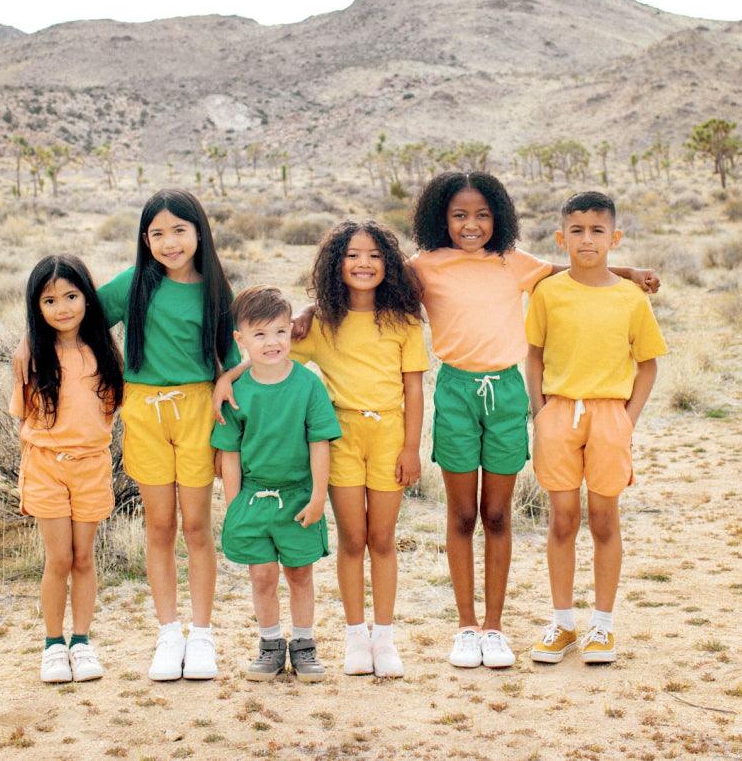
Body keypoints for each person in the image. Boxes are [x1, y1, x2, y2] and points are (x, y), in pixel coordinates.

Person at [409, 172, 659, 669]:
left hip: (504, 393)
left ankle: (496, 629)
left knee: (498, 515)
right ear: (441, 217)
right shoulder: (422, 266)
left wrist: (630, 274)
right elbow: (364, 282)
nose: (471, 225)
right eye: (459, 215)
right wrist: (310, 309)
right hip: (456, 388)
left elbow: (579, 269)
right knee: (461, 515)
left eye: (482, 215)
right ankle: (466, 628)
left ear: (498, 216)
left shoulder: (513, 263)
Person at [16, 190, 238, 681]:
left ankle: (201, 635)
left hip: (198, 412)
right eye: (157, 233)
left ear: (199, 231)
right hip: (144, 413)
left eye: (179, 230)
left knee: (198, 528)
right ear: (145, 239)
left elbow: (237, 355)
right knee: (159, 528)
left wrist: (226, 379)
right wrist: (30, 344)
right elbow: (74, 317)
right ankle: (167, 633)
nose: (170, 242)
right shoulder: (134, 284)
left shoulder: (216, 290)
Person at [282, 220, 427, 677]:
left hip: (389, 435)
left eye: (374, 256)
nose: (363, 264)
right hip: (340, 438)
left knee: (382, 540)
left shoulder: (404, 322)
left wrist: (411, 448)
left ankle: (384, 638)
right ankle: (354, 637)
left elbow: (416, 390)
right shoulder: (322, 323)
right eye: (352, 255)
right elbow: (275, 355)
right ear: (335, 264)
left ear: (389, 264)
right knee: (352, 540)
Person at [527, 192, 666, 665]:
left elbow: (647, 365)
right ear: (561, 237)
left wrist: (626, 421)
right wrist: (541, 411)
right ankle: (563, 623)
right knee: (562, 519)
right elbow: (534, 355)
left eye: (598, 231)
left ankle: (602, 626)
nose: (588, 240)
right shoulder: (548, 292)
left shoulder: (630, 298)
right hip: (559, 414)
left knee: (605, 519)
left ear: (615, 238)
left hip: (610, 415)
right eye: (578, 231)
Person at [211, 286, 341, 683]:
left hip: (299, 495)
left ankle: (304, 645)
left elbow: (319, 443)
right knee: (262, 575)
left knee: (300, 573)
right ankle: (269, 646)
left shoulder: (307, 385)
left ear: (291, 332)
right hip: (253, 497)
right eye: (260, 334)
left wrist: (319, 496)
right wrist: (234, 506)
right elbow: (229, 454)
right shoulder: (237, 391)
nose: (272, 343)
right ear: (241, 340)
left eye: (280, 332)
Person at [11, 254, 123, 683]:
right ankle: (53, 645)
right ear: (36, 309)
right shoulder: (32, 358)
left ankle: (82, 641)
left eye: (72, 296)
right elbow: (24, 418)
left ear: (87, 299)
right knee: (58, 558)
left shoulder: (104, 354)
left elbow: (110, 413)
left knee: (83, 557)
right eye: (50, 301)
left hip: (91, 467)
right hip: (46, 467)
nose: (63, 308)